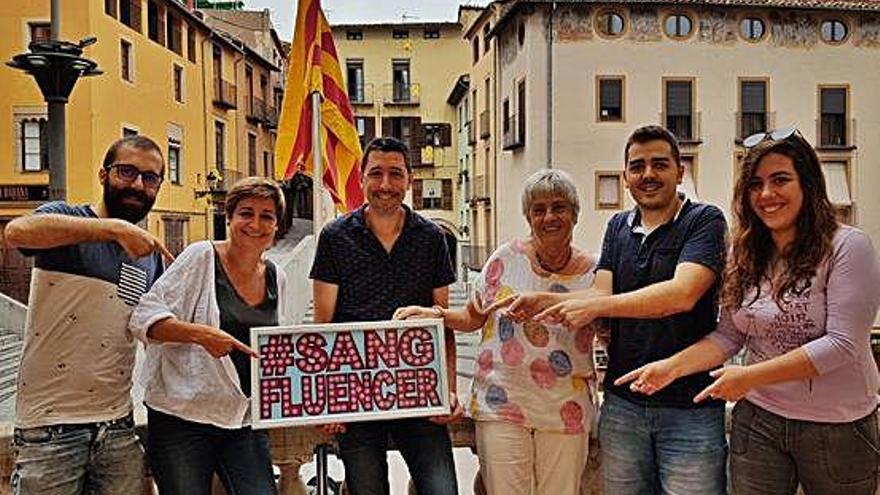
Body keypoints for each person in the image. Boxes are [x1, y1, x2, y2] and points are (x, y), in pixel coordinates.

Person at [616, 128, 880, 495]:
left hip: (836, 426)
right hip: (759, 420)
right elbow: (729, 335)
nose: (766, 194)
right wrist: (671, 367)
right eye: (755, 184)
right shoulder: (742, 253)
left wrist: (750, 376)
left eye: (780, 180)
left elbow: (842, 344)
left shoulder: (848, 247)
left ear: (808, 184)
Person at [509, 125, 729, 494]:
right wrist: (547, 301)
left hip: (690, 407)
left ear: (680, 171)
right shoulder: (617, 227)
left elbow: (682, 294)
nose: (648, 174)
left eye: (659, 164)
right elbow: (600, 293)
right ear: (625, 177)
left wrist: (589, 307)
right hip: (623, 405)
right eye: (637, 166)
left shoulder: (704, 220)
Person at [395, 169, 598, 495]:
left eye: (559, 207)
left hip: (566, 410)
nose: (549, 217)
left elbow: (609, 329)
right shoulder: (506, 259)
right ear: (528, 217)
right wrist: (435, 314)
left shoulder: (595, 273)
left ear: (575, 214)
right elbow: (472, 316)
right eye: (538, 209)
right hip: (501, 404)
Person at [3, 135, 171, 494]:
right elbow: (16, 233)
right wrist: (115, 229)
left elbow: (152, 328)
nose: (138, 185)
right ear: (103, 174)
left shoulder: (148, 253)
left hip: (118, 427)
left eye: (150, 177)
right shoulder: (67, 219)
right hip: (49, 430)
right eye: (126, 172)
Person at [310, 136, 460, 495]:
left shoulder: (431, 238)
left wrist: (449, 389)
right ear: (361, 179)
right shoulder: (334, 236)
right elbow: (323, 327)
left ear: (410, 179)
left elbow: (445, 323)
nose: (385, 185)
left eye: (395, 174)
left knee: (443, 491)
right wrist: (327, 398)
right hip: (357, 395)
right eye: (376, 173)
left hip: (418, 391)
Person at [129, 177, 291, 495]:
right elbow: (144, 318)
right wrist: (201, 335)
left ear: (276, 227)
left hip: (242, 419)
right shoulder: (201, 257)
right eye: (246, 213)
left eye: (266, 216)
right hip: (182, 419)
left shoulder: (277, 277)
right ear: (228, 218)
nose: (255, 223)